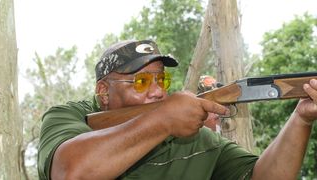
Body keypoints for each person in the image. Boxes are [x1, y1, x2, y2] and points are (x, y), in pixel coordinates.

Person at [38, 39, 317, 180]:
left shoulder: (192, 136)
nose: (158, 91)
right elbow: (71, 172)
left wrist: (301, 118)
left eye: (162, 80)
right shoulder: (69, 117)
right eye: (142, 81)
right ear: (103, 92)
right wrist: (163, 121)